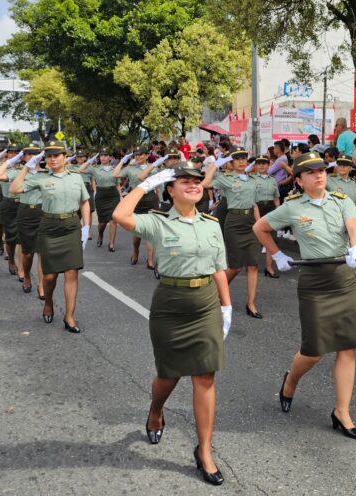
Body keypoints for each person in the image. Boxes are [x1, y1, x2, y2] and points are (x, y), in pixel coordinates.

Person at [112, 160, 232, 486]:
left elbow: (219, 266)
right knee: (169, 374)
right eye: (183, 181)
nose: (193, 185)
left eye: (197, 181)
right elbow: (120, 216)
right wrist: (146, 183)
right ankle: (155, 410)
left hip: (206, 302)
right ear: (170, 189)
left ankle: (204, 451)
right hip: (170, 305)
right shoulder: (158, 222)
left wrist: (227, 306)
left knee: (205, 375)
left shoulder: (210, 223)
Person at [253, 151, 356, 440]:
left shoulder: (341, 201)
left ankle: (342, 411)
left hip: (343, 278)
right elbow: (260, 227)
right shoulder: (292, 208)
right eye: (312, 172)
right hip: (314, 283)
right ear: (300, 180)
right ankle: (290, 381)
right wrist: (276, 254)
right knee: (314, 351)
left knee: (347, 347)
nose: (320, 175)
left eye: (322, 170)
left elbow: (354, 224)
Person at [11, 141, 92, 333]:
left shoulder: (75, 178)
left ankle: (69, 317)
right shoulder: (40, 178)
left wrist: (86, 226)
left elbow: (84, 202)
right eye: (48, 156)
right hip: (49, 227)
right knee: (49, 276)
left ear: (65, 157)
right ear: (44, 159)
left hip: (71, 226)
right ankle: (48, 303)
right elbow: (15, 189)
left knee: (72, 272)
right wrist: (26, 168)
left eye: (57, 155)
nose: (53, 159)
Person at [202, 148, 264, 318]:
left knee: (253, 265)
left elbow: (255, 204)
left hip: (250, 222)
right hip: (234, 223)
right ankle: (216, 293)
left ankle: (251, 304)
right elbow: (206, 184)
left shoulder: (252, 179)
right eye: (237, 159)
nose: (241, 161)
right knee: (235, 267)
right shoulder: (225, 179)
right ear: (230, 162)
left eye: (244, 158)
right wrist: (215, 165)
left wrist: (259, 225)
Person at [114, 147, 160, 271]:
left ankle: (150, 260)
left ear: (146, 156)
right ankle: (135, 251)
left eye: (140, 155)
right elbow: (115, 174)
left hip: (151, 198)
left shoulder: (153, 168)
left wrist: (159, 200)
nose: (138, 157)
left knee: (151, 231)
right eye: (136, 155)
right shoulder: (130, 168)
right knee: (136, 231)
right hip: (136, 199)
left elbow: (157, 186)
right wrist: (123, 161)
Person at [12, 144, 45, 296]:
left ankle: (42, 286)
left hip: (43, 212)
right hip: (26, 212)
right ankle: (26, 275)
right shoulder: (19, 173)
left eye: (35, 154)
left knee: (42, 252)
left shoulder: (47, 173)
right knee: (27, 254)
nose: (31, 157)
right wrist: (22, 166)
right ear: (23, 157)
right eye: (28, 154)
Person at [0, 145, 28, 278]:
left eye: (17, 153)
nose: (14, 155)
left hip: (25, 204)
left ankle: (22, 270)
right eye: (11, 153)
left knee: (23, 238)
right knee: (11, 238)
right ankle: (11, 260)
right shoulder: (5, 167)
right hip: (9, 204)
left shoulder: (27, 167)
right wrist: (8, 162)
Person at [84, 149, 120, 251]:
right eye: (101, 155)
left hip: (113, 195)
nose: (103, 157)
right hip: (101, 195)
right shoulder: (94, 169)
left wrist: (120, 197)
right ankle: (100, 235)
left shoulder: (115, 169)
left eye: (106, 155)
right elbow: (80, 170)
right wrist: (90, 161)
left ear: (110, 157)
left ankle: (112, 243)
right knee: (102, 222)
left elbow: (118, 184)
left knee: (113, 220)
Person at [251, 155, 281, 278]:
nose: (262, 165)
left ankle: (269, 268)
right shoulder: (251, 179)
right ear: (255, 166)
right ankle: (252, 267)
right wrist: (258, 219)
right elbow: (251, 199)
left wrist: (279, 213)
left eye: (264, 163)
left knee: (270, 240)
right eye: (259, 163)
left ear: (269, 165)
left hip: (270, 209)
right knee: (255, 240)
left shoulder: (272, 179)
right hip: (256, 208)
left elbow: (276, 199)